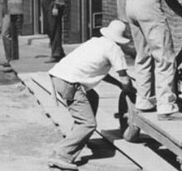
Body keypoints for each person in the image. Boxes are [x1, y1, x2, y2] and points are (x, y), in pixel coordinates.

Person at [47, 20, 134, 171]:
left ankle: (80, 139)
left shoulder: (96, 42)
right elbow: (125, 79)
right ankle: (61, 155)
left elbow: (99, 71)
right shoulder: (114, 49)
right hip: (71, 83)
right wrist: (131, 91)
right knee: (88, 123)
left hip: (59, 77)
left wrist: (118, 85)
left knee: (92, 97)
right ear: (121, 39)